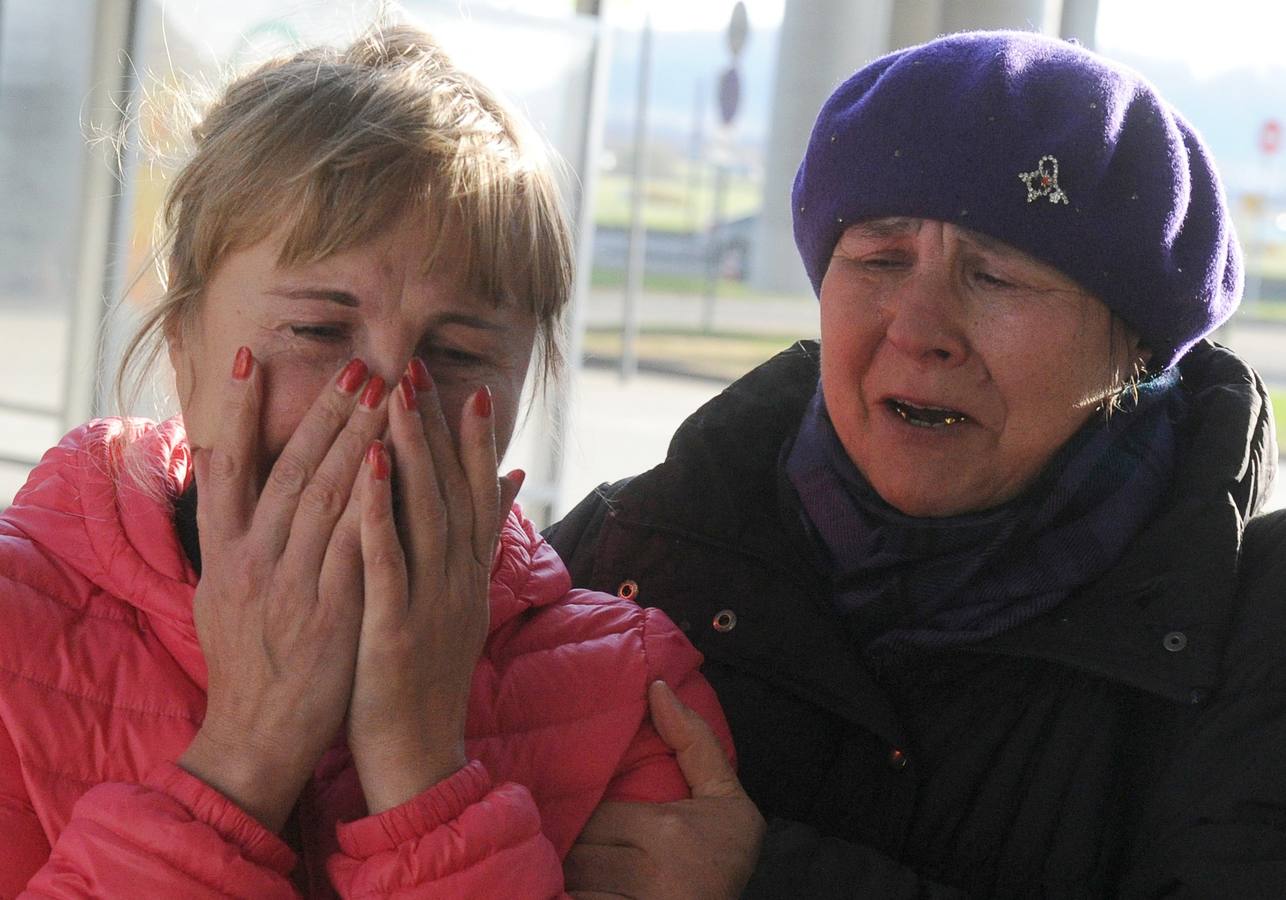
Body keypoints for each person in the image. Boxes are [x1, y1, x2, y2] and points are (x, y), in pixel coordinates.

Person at [0, 22, 733, 897]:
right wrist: (246, 752)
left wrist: (421, 768)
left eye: (458, 351)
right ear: (185, 347)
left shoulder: (633, 692)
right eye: (318, 332)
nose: (387, 404)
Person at [550, 30, 1286, 898]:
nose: (919, 328)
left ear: (1136, 347)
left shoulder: (1250, 629)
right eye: (879, 259)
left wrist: (768, 884)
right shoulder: (633, 551)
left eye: (997, 277)